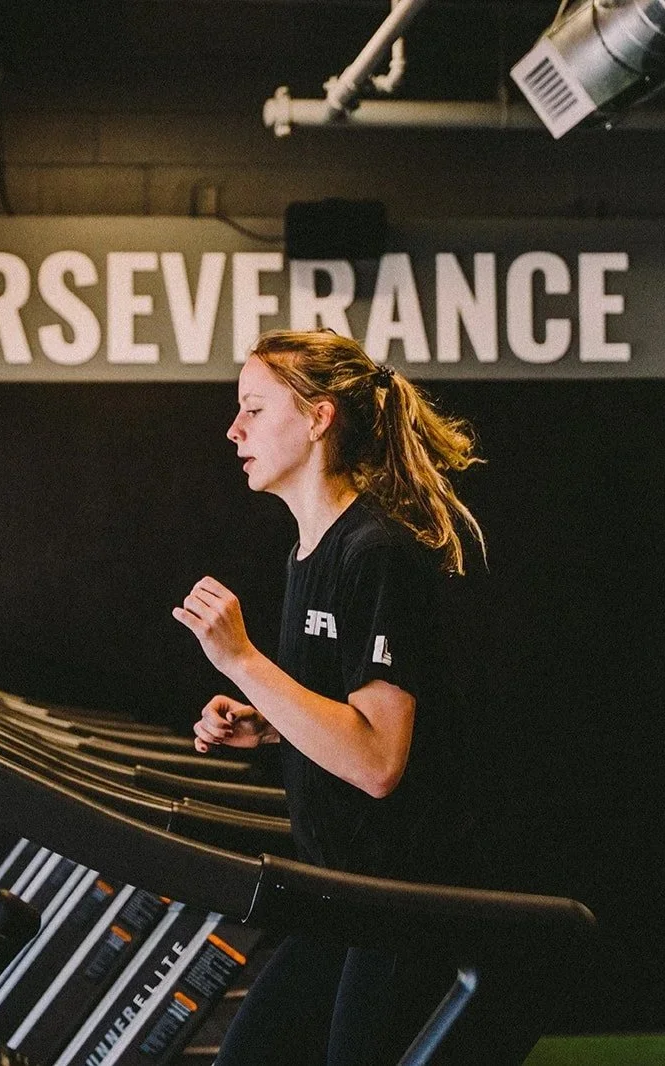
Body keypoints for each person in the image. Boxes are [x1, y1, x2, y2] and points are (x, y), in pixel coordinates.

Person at [172, 328, 486, 1066]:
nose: (234, 429)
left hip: (404, 900)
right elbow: (346, 719)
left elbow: (378, 759)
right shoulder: (309, 549)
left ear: (319, 419)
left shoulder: (373, 552)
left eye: (253, 408)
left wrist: (244, 663)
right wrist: (269, 725)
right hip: (338, 893)